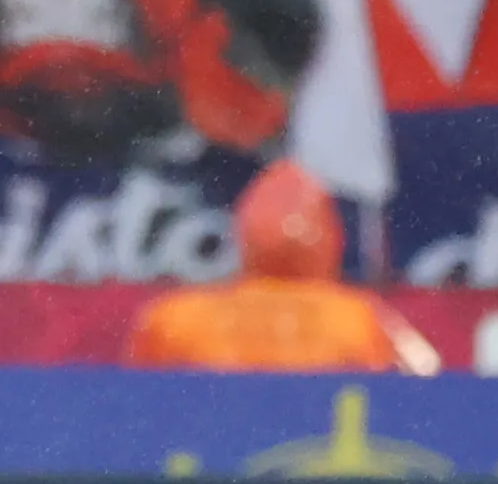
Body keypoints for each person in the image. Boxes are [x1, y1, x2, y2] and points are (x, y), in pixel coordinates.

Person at [128, 159, 434, 371]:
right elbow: (425, 398)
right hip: (314, 454)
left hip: (207, 457)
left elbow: (136, 414)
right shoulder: (364, 320)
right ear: (330, 238)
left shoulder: (173, 319)